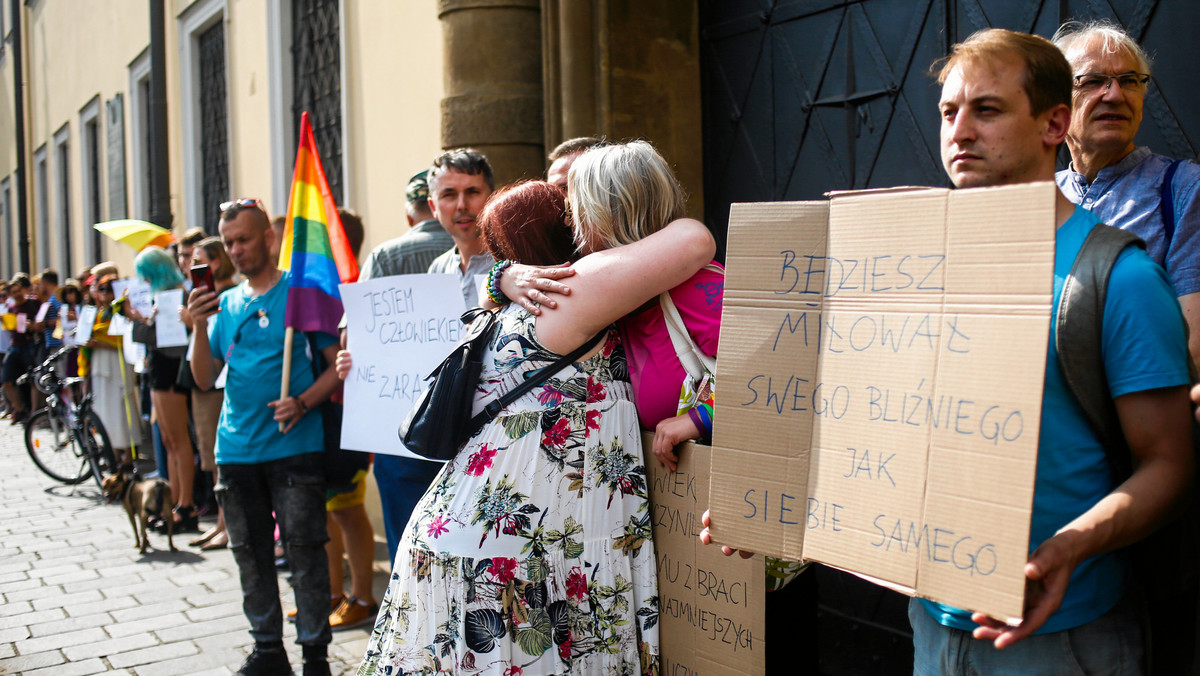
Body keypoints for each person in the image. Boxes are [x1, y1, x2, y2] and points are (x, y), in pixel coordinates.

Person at [901, 28, 1192, 675]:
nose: (961, 131)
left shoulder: (1118, 277)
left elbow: (1169, 463)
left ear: (1053, 122)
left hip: (1063, 636)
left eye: (988, 109)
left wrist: (1073, 545)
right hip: (930, 624)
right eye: (950, 112)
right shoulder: (912, 263)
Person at [352, 179, 714, 675]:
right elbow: (695, 239)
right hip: (518, 557)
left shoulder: (504, 309)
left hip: (476, 537)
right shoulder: (569, 294)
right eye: (575, 216)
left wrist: (502, 274)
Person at [187, 200, 341, 676]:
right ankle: (268, 651)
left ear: (268, 239)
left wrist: (302, 402)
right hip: (235, 449)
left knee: (304, 552)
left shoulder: (301, 294)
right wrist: (196, 325)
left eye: (243, 239)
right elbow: (204, 376)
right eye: (228, 242)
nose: (234, 250)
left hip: (294, 447)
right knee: (250, 555)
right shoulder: (226, 302)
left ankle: (315, 655)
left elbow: (337, 365)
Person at [369, 152, 497, 566]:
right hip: (440, 426)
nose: (461, 205)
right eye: (449, 195)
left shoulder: (512, 260)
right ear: (432, 206)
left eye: (472, 192)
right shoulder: (437, 269)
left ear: (490, 196)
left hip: (488, 432)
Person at [1052, 20, 1200, 373]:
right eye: (1092, 82)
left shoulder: (1182, 189)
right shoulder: (1040, 195)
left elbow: (1190, 347)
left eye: (1130, 81)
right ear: (1055, 103)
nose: (1115, 95)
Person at [132, 247, 198, 533]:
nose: (143, 282)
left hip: (171, 370)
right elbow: (151, 338)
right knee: (169, 441)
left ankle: (186, 504)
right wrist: (144, 319)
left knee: (178, 439)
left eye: (145, 276)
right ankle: (174, 503)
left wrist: (148, 322)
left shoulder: (178, 296)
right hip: (159, 369)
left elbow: (171, 343)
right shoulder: (160, 297)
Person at [185, 237, 238, 552]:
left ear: (215, 262)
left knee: (221, 459)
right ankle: (221, 523)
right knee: (213, 456)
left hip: (222, 383)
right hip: (207, 380)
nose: (192, 267)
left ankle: (227, 525)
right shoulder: (204, 296)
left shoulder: (228, 295)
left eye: (198, 261)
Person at [81, 265, 142, 467]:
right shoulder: (96, 313)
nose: (103, 294)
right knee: (105, 410)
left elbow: (125, 338)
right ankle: (112, 452)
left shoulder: (121, 312)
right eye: (100, 289)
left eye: (108, 289)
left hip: (117, 364)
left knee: (122, 407)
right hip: (100, 366)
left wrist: (103, 343)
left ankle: (128, 453)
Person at [2, 274, 41, 424]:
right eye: (14, 292)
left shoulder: (33, 304)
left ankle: (34, 412)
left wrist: (32, 326)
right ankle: (18, 409)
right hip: (15, 345)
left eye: (19, 290)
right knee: (6, 380)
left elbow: (40, 323)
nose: (17, 294)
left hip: (29, 344)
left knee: (32, 379)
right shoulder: (11, 308)